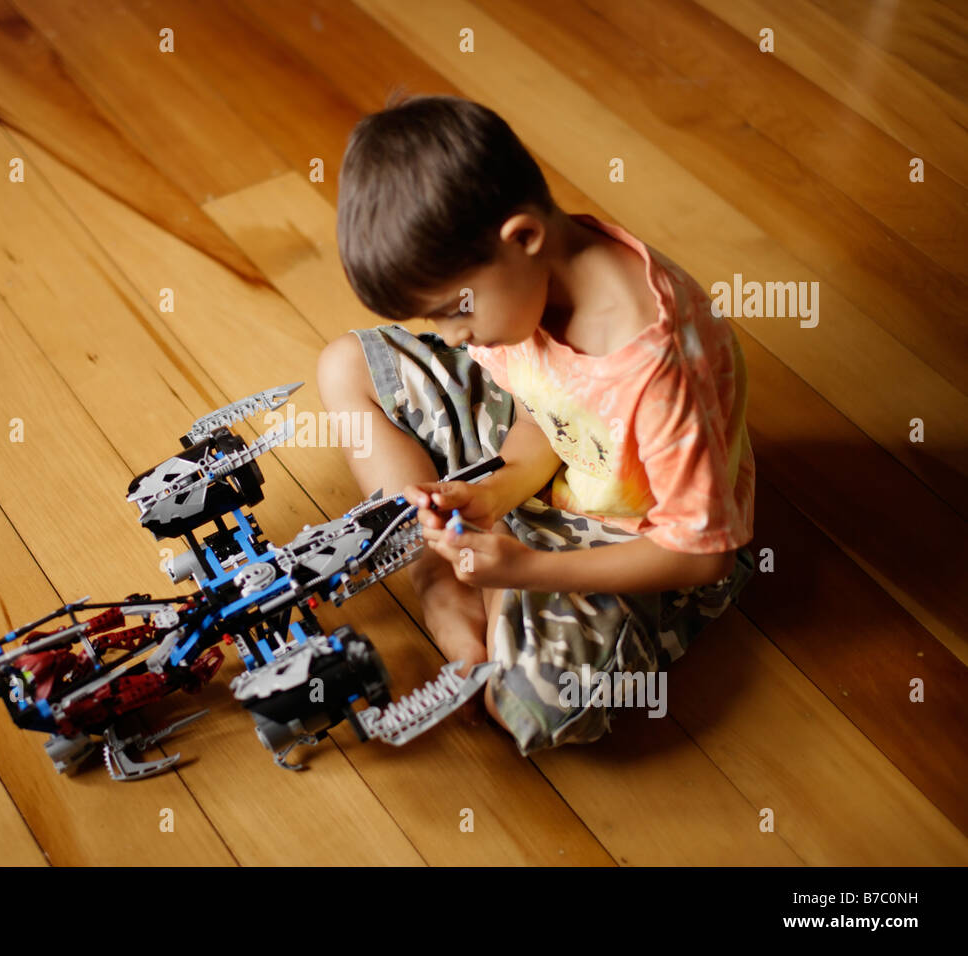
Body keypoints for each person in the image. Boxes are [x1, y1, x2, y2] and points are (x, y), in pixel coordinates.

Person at [317, 92, 756, 754]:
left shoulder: (657, 364)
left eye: (450, 311)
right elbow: (543, 413)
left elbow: (704, 554)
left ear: (523, 237)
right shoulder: (523, 290)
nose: (453, 339)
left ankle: (456, 596)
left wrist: (526, 571)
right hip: (557, 474)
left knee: (530, 708)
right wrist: (493, 494)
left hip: (634, 541)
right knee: (345, 366)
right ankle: (451, 582)